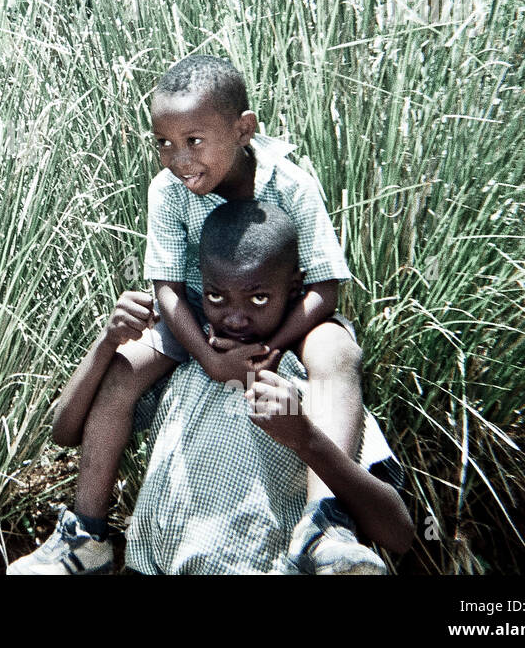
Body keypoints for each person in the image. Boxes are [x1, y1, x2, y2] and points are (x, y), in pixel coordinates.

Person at [9, 54, 383, 575]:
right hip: (196, 316)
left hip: (283, 321)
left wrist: (272, 350)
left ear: (243, 129)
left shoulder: (291, 184)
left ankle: (327, 523)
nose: (178, 159)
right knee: (122, 371)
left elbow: (324, 286)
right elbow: (165, 287)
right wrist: (211, 359)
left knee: (337, 349)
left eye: (194, 141)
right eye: (164, 142)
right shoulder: (166, 192)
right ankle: (85, 535)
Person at [123, 201, 413, 573]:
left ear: (294, 289)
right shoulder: (184, 370)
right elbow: (68, 429)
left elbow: (398, 532)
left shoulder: (308, 388)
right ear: (200, 283)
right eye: (216, 297)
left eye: (259, 298)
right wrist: (106, 345)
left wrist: (305, 437)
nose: (235, 317)